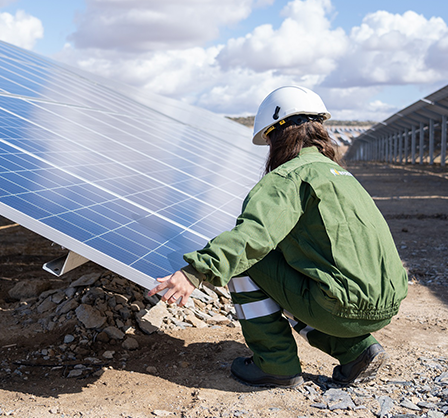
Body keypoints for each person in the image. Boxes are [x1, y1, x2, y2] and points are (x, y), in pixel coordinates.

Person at [148, 85, 408, 388]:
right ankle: (357, 351)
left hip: (340, 307)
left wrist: (195, 272)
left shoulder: (288, 177)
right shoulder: (339, 174)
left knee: (248, 263)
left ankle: (275, 365)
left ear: (277, 134)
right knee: (293, 269)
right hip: (386, 303)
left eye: (269, 138)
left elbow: (250, 237)